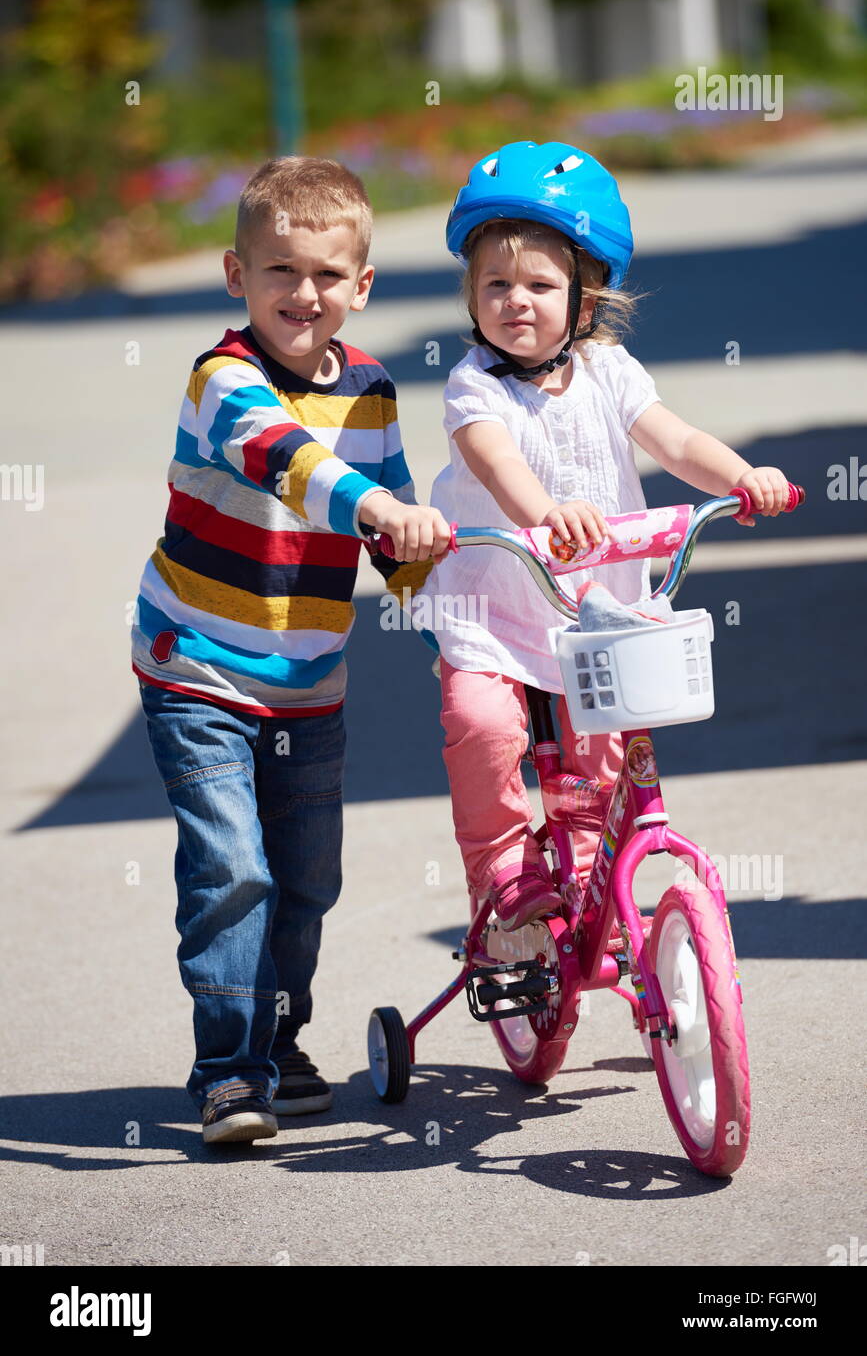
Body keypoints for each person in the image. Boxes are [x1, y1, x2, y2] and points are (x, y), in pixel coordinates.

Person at [131, 156, 451, 1144]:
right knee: (234, 868)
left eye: (324, 274)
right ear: (237, 274)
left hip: (310, 682)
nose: (301, 295)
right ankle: (229, 1071)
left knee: (308, 882)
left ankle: (279, 1034)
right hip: (198, 663)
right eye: (278, 271)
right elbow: (290, 463)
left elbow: (388, 535)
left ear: (362, 286)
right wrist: (386, 509)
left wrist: (437, 592)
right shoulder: (221, 379)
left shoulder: (372, 391)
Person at [418, 140, 790, 934]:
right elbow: (496, 463)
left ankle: (588, 875)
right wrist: (544, 513)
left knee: (600, 754)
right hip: (495, 606)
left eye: (539, 285)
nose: (515, 300)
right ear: (470, 295)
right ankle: (505, 877)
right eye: (495, 284)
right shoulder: (471, 385)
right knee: (482, 727)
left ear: (585, 301)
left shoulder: (609, 370)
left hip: (597, 607)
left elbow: (674, 440)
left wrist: (739, 477)